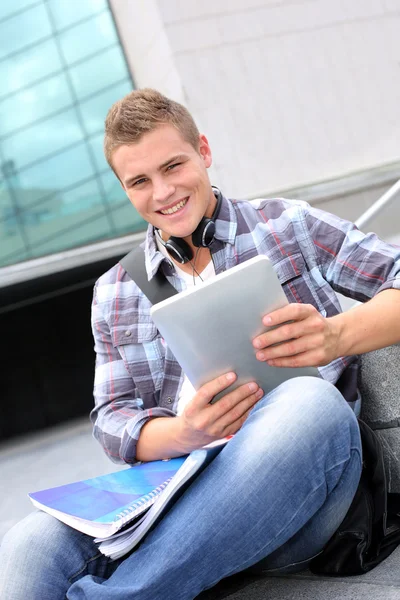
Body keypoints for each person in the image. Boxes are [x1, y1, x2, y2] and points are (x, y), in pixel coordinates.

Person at [1, 88, 400, 600]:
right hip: (183, 486)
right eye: (140, 181)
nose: (163, 192)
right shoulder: (115, 290)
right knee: (30, 542)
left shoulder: (287, 225)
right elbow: (111, 419)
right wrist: (183, 432)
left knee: (309, 403)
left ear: (204, 152)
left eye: (173, 166)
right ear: (125, 190)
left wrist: (335, 335)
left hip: (306, 481)